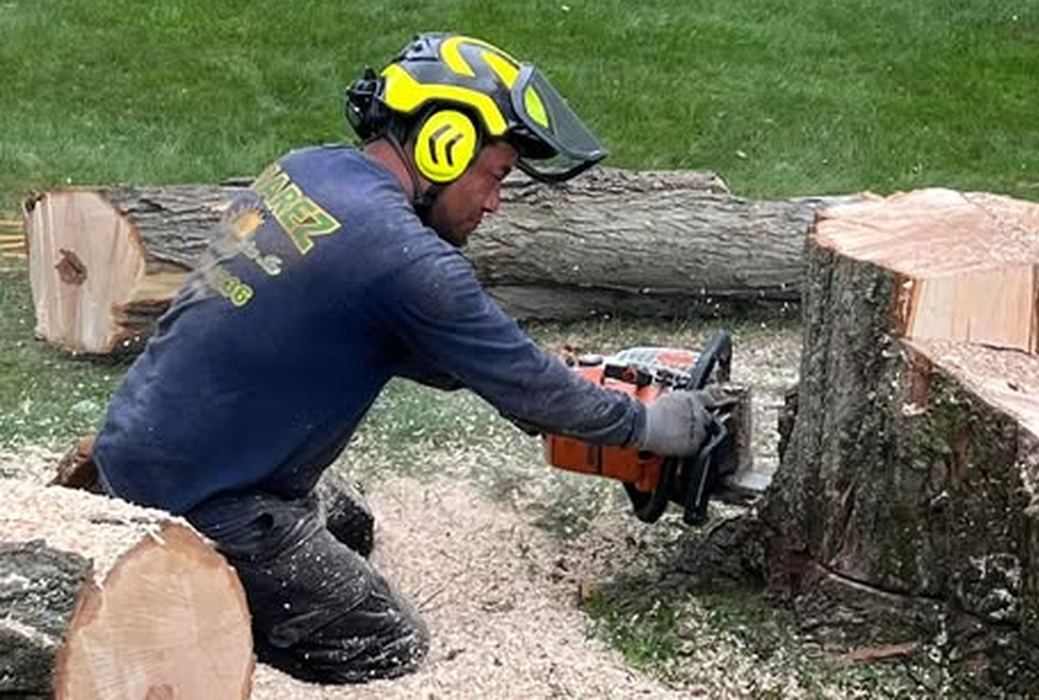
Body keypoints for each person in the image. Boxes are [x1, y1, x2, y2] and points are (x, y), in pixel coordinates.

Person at [91, 32, 715, 684]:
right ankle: (193, 624)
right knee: (386, 641)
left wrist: (539, 377)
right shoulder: (401, 256)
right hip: (203, 501)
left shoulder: (306, 170)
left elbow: (434, 352)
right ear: (446, 142)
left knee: (352, 527)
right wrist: (651, 426)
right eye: (495, 175)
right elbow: (531, 391)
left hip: (142, 444)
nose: (495, 201)